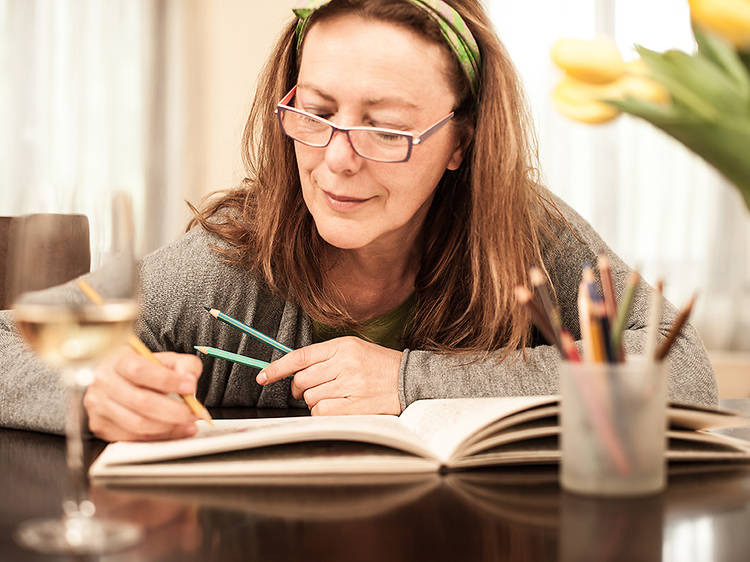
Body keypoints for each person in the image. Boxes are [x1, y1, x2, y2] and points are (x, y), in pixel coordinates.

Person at [0, 0, 717, 441]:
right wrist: (93, 389)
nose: (337, 160)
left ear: (460, 143)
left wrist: (414, 382)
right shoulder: (221, 266)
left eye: (386, 129)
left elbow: (676, 365)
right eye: (314, 112)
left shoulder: (524, 230)